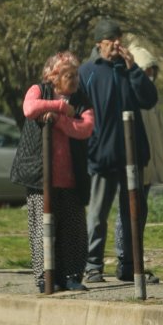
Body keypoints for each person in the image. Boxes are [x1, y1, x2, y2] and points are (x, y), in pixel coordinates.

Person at [80, 19, 158, 284]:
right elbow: (78, 111)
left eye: (119, 39)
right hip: (101, 157)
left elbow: (149, 100)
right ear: (99, 43)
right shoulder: (88, 71)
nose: (116, 44)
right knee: (97, 214)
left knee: (133, 213)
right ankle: (92, 266)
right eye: (111, 39)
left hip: (131, 155)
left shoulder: (128, 69)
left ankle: (129, 266)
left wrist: (134, 69)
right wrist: (89, 147)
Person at [23, 51, 95, 292]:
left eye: (75, 75)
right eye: (68, 75)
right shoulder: (38, 91)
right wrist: (61, 107)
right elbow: (29, 109)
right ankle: (46, 276)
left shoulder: (82, 99)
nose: (73, 79)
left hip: (72, 178)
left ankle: (72, 275)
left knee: (72, 230)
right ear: (53, 77)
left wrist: (59, 120)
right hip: (40, 177)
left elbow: (85, 128)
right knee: (42, 228)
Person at [112, 46, 163, 282]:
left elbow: (160, 134)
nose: (150, 75)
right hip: (133, 163)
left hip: (148, 163)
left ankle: (133, 261)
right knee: (128, 213)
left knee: (139, 212)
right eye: (146, 70)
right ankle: (125, 261)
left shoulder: (150, 97)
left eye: (151, 71)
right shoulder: (130, 93)